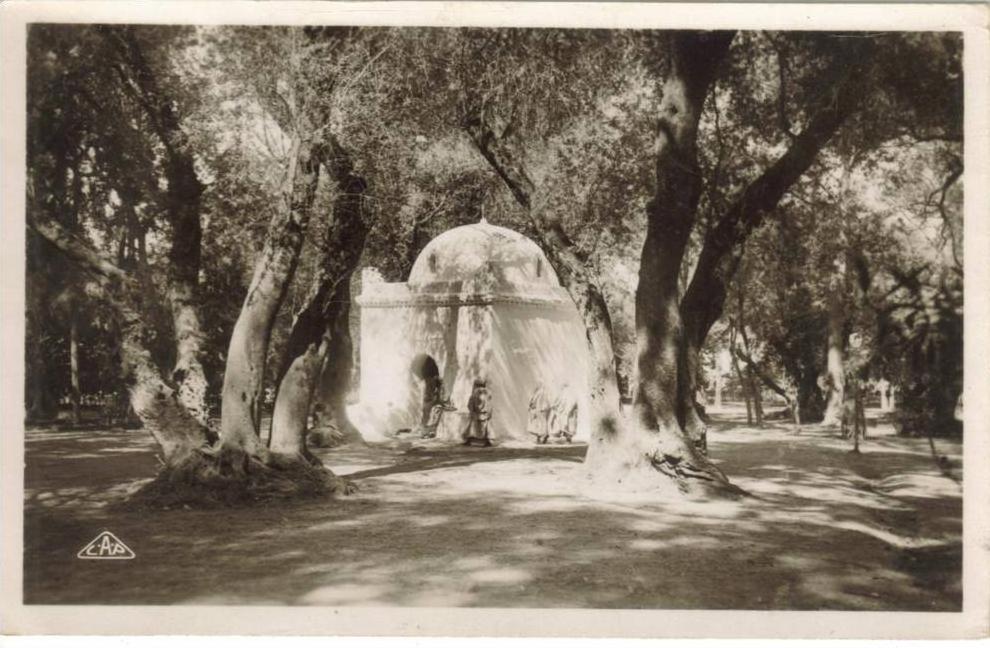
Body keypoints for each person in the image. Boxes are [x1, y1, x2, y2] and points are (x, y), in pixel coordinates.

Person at [463, 378, 493, 447]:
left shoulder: (474, 394)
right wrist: (489, 412)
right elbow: (489, 405)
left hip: (476, 413)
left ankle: (469, 440)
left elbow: (470, 404)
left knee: (472, 427)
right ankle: (487, 441)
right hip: (484, 413)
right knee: (485, 427)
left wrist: (472, 410)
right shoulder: (487, 394)